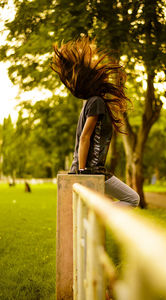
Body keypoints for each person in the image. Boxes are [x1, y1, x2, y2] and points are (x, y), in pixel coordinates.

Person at [51, 36, 140, 207]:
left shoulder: (90, 102)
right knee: (133, 199)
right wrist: (83, 173)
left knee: (109, 204)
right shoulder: (96, 102)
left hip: (87, 170)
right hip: (92, 171)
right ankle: (98, 214)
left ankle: (97, 215)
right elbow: (85, 138)